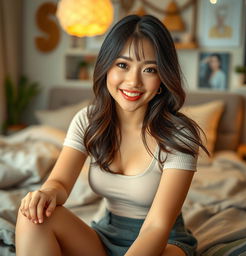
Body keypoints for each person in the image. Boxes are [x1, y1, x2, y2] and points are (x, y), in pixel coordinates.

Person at [15, 15, 208, 256]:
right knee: (33, 218)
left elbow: (157, 226)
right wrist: (46, 194)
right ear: (106, 67)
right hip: (106, 236)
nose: (133, 81)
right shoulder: (88, 121)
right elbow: (60, 183)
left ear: (162, 80)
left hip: (163, 242)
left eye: (149, 69)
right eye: (122, 65)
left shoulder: (179, 135)